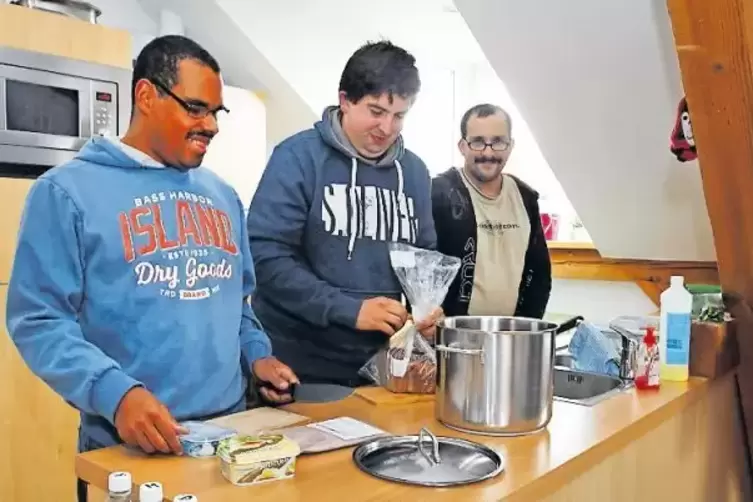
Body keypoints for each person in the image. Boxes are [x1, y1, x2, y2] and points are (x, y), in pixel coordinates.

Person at [5, 34, 297, 485]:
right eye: (195, 108)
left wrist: (257, 357)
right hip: (127, 448)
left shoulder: (223, 196)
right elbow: (38, 319)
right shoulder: (65, 193)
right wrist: (116, 395)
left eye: (216, 113)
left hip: (233, 441)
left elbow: (236, 305)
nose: (211, 126)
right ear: (146, 95)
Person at [246, 41, 439, 387]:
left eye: (399, 115)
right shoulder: (297, 157)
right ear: (345, 100)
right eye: (376, 111)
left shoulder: (415, 172)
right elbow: (267, 259)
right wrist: (349, 310)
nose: (387, 128)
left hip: (383, 370)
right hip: (299, 370)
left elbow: (423, 258)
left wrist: (426, 308)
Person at [431, 103, 552, 318]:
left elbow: (540, 274)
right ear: (462, 146)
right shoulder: (438, 194)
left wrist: (527, 330)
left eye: (498, 142)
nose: (488, 152)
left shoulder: (525, 197)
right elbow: (422, 270)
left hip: (512, 337)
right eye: (477, 142)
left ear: (510, 145)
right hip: (449, 338)